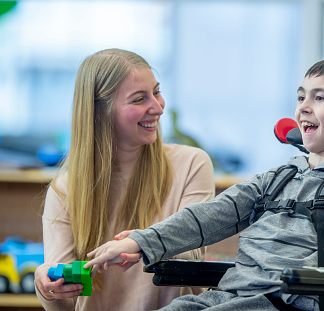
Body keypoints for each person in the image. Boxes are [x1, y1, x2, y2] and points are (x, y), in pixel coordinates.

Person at [85, 58, 324, 310]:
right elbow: (211, 215)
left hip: (284, 304)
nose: (303, 108)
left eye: (319, 98)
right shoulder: (280, 176)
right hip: (232, 297)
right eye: (301, 97)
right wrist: (140, 242)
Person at [34, 48, 215, 310]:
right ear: (100, 112)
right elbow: (66, 300)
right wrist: (48, 289)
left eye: (157, 92)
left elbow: (193, 252)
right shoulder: (64, 190)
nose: (158, 107)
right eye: (139, 99)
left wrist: (142, 244)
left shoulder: (192, 164)